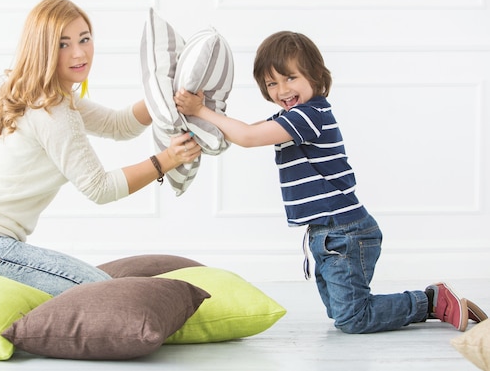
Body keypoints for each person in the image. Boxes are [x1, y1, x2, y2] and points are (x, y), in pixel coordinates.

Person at [174, 30, 487, 333]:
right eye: (272, 83)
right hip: (327, 233)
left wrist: (200, 109)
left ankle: (429, 302)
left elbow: (248, 136)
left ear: (314, 75)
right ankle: (426, 301)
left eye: (290, 78)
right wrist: (203, 119)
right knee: (341, 312)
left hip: (345, 232)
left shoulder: (309, 115)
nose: (282, 89)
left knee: (353, 318)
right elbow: (242, 130)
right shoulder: (290, 118)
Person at [0, 0, 201, 296]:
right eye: (63, 44)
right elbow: (100, 188)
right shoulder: (53, 111)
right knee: (110, 295)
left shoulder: (44, 97)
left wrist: (164, 97)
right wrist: (167, 159)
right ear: (42, 48)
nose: (79, 52)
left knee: (106, 292)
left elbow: (118, 125)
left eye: (84, 39)